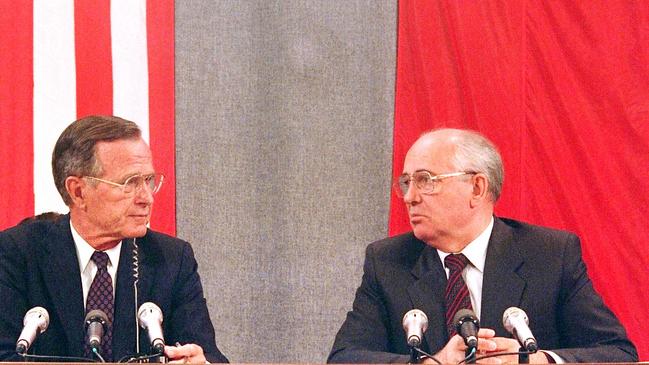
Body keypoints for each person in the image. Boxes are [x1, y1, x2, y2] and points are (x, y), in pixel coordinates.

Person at [328, 128, 637, 364]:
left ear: (477, 187)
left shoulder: (549, 255)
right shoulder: (389, 262)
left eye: (426, 180)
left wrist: (540, 360)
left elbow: (618, 354)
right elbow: (345, 358)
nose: (410, 197)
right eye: (406, 182)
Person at [0, 116, 228, 363]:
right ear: (78, 191)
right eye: (129, 183)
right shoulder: (18, 254)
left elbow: (209, 355)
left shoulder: (172, 260)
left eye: (148, 181)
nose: (146, 198)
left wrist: (201, 362)